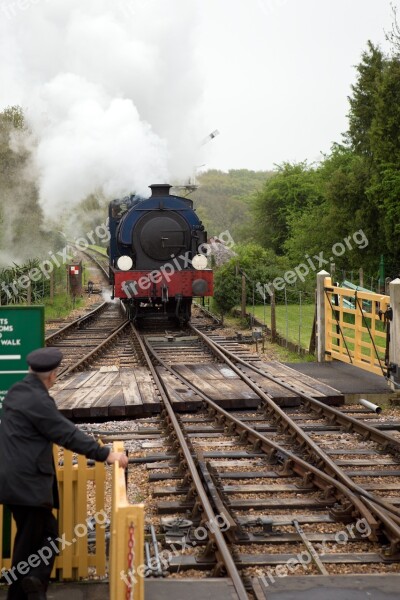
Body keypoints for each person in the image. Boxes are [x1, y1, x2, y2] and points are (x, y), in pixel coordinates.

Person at [0, 347, 128, 600]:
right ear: (52, 376)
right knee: (37, 542)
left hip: (12, 479)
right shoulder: (38, 400)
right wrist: (106, 455)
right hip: (28, 483)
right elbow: (66, 433)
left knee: (40, 539)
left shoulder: (16, 392)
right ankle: (29, 586)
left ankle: (30, 586)